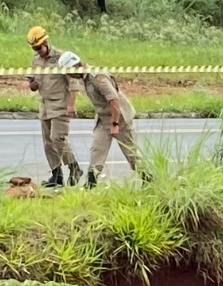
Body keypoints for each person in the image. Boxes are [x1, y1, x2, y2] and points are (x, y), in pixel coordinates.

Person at [58, 51, 140, 187]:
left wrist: (115, 124)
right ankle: (91, 184)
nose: (68, 75)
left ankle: (148, 178)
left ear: (75, 67)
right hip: (103, 118)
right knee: (97, 150)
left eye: (69, 72)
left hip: (119, 118)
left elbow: (114, 100)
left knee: (131, 154)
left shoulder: (97, 77)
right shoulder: (84, 78)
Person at [26, 25, 79, 189]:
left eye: (39, 47)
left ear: (46, 42)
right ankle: (56, 174)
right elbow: (33, 84)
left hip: (60, 104)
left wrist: (71, 104)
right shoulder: (35, 60)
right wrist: (32, 84)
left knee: (58, 138)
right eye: (34, 48)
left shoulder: (61, 58)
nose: (37, 51)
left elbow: (74, 82)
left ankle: (74, 168)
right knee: (48, 142)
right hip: (45, 105)